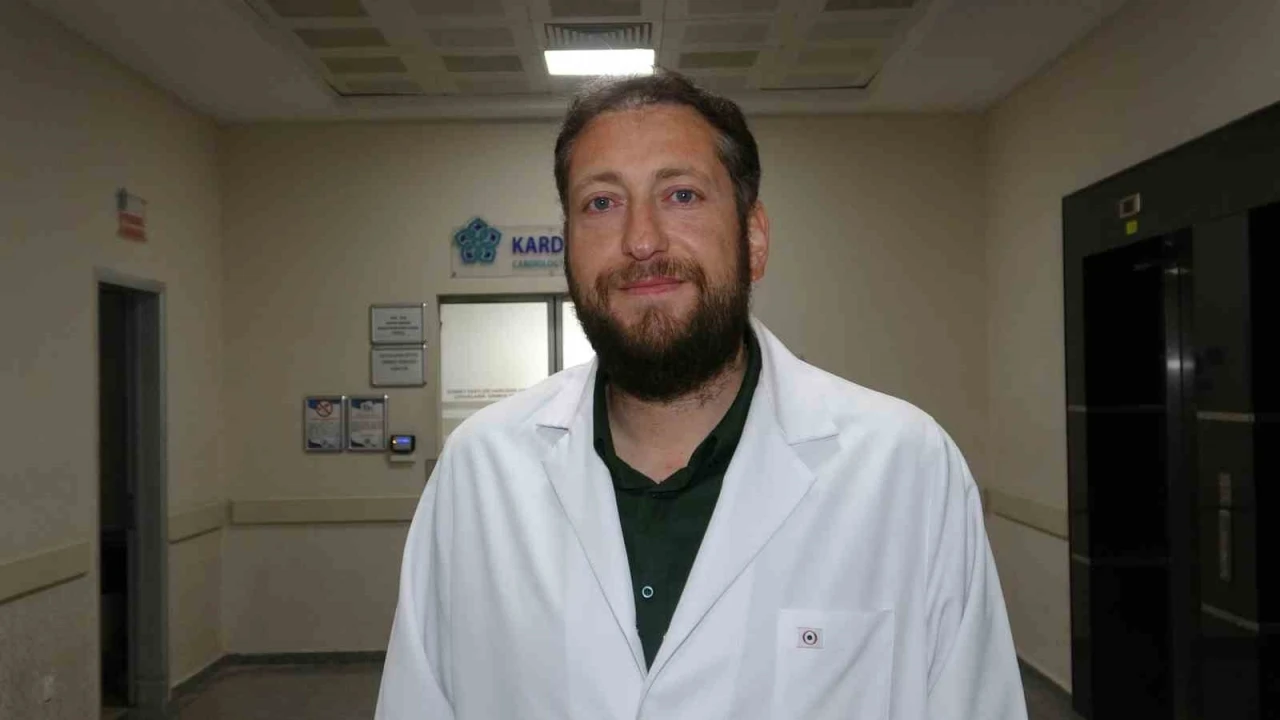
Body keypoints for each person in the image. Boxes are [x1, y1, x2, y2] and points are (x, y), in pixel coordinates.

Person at [376, 70, 1027, 720]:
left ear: (753, 238)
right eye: (601, 203)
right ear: (569, 247)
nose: (641, 239)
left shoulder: (906, 469)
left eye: (682, 194)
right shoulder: (478, 472)